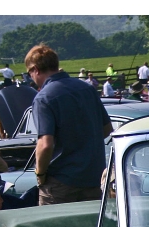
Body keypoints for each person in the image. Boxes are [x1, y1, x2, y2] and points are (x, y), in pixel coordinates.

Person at [25, 43, 112, 205]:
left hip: (60, 182)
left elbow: (45, 144)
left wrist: (40, 174)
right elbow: (107, 129)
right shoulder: (87, 89)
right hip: (93, 178)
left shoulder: (43, 98)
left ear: (35, 69)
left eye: (29, 72)